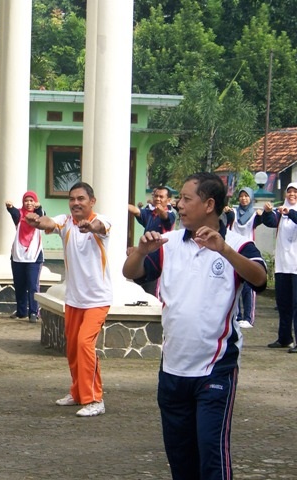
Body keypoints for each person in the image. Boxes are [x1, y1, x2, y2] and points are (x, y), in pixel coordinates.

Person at [123, 172, 267, 480]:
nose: (180, 205)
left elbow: (260, 279)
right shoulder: (169, 242)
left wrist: (223, 250)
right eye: (179, 199)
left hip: (215, 369)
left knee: (211, 455)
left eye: (187, 199)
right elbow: (131, 272)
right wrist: (140, 252)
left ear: (209, 204)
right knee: (181, 459)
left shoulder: (239, 245)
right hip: (173, 369)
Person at [25, 181, 111, 417]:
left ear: (91, 201)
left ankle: (95, 399)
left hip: (97, 299)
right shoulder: (65, 221)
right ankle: (78, 393)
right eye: (72, 199)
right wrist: (37, 221)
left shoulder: (102, 221)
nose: (75, 203)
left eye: (81, 199)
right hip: (73, 299)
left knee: (85, 344)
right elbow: (49, 222)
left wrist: (90, 226)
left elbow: (100, 226)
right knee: (73, 348)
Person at [262, 182, 297, 352]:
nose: (291, 195)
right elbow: (270, 222)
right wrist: (268, 212)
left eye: (295, 192)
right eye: (289, 192)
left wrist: (290, 212)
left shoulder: (290, 212)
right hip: (283, 264)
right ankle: (284, 338)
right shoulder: (281, 210)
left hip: (296, 266)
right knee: (283, 304)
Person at [223, 187, 263, 329]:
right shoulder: (233, 212)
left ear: (251, 198)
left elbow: (267, 220)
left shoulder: (254, 214)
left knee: (248, 286)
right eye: (241, 196)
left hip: (247, 250)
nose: (244, 199)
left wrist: (264, 214)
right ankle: (237, 315)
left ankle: (248, 317)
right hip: (234, 250)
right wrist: (227, 212)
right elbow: (228, 222)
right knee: (234, 283)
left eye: (246, 196)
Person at [5, 191, 44, 323]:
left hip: (34, 256)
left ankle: (34, 312)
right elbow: (13, 211)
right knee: (19, 284)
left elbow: (41, 217)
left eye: (31, 201)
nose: (29, 203)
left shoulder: (39, 215)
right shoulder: (19, 215)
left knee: (33, 285)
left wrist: (39, 208)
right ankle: (21, 311)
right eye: (26, 201)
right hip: (18, 255)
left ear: (35, 202)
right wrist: (9, 207)